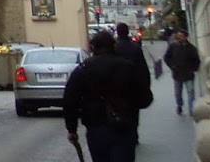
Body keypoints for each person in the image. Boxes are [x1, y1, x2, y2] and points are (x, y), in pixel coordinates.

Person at [64, 30, 153, 162]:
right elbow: (145, 98)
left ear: (93, 47)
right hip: (124, 125)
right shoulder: (127, 66)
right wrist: (130, 106)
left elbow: (70, 100)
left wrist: (72, 129)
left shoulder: (83, 69)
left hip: (96, 126)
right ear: (113, 46)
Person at [165, 30, 202, 115]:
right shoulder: (173, 46)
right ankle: (179, 105)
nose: (179, 37)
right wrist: (172, 66)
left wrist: (193, 69)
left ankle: (191, 109)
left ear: (185, 37)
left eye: (181, 36)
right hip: (177, 73)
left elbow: (196, 60)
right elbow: (167, 57)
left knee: (190, 92)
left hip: (188, 74)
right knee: (178, 93)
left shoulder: (191, 48)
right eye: (178, 36)